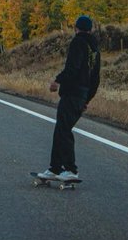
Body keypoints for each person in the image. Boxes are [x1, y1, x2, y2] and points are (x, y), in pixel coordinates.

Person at [36, 14, 100, 182]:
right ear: (91, 29)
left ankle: (70, 169)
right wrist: (87, 99)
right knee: (61, 130)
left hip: (72, 93)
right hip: (82, 95)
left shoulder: (78, 42)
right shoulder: (95, 49)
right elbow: (95, 78)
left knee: (63, 131)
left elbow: (72, 68)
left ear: (76, 28)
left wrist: (57, 81)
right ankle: (55, 168)